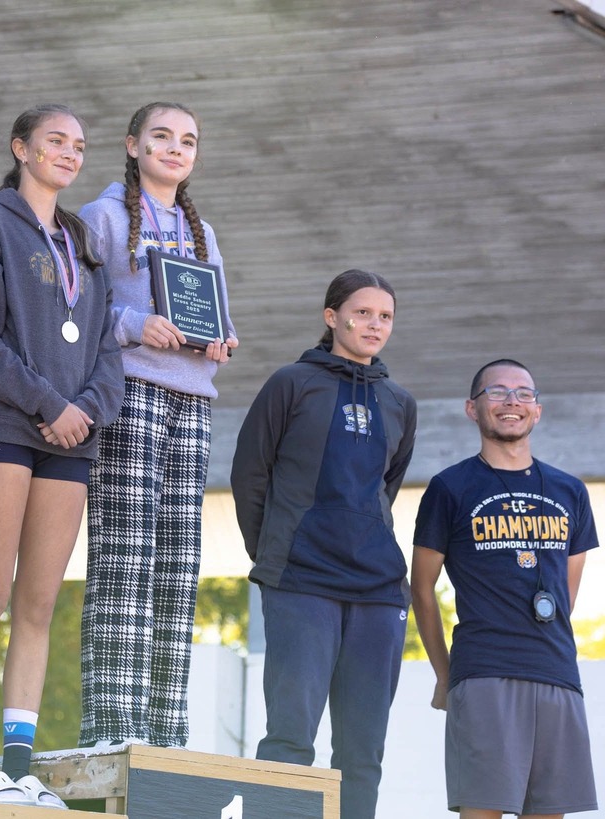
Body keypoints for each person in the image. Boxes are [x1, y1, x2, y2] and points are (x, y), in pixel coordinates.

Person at [0, 104, 124, 806]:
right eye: (56, 140)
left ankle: (18, 767)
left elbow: (107, 345)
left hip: (71, 435)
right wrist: (49, 403)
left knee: (39, 599)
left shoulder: (83, 238)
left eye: (80, 145)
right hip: (6, 422)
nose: (69, 153)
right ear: (21, 147)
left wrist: (85, 410)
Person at [77, 101, 237, 750]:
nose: (176, 148)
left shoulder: (202, 231)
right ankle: (115, 730)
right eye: (162, 136)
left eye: (188, 140)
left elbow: (218, 308)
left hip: (193, 401)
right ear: (133, 144)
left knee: (177, 563)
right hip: (130, 393)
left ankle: (167, 732)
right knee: (125, 557)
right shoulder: (104, 216)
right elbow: (78, 304)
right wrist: (132, 325)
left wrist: (223, 335)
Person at [230, 269, 417, 819]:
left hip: (379, 593)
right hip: (301, 583)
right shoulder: (291, 383)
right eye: (362, 312)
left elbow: (384, 490)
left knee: (363, 754)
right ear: (332, 317)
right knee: (290, 740)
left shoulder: (400, 403)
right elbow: (250, 476)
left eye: (384, 316)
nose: (374, 325)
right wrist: (274, 552)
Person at [412, 359, 598, 819]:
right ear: (472, 409)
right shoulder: (449, 487)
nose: (511, 400)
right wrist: (444, 672)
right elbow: (420, 586)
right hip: (485, 673)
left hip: (558, 675)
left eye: (523, 393)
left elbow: (566, 592)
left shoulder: (570, 490)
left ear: (537, 410)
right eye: (496, 392)